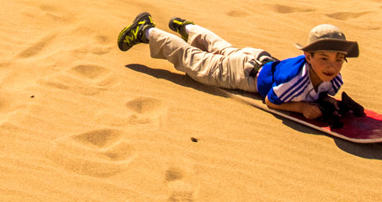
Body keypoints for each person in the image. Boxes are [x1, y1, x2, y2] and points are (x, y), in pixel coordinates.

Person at [116, 13, 359, 121]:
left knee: (224, 50)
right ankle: (146, 30)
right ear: (308, 55)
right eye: (324, 58)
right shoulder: (294, 79)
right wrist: (301, 108)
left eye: (339, 59)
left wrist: (335, 103)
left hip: (256, 59)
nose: (332, 66)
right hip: (243, 75)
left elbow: (323, 91)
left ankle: (189, 29)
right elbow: (272, 101)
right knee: (195, 62)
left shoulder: (333, 78)